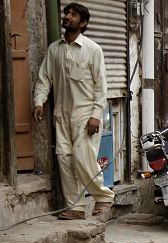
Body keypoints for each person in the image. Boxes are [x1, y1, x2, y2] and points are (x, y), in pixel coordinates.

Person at [33, 2, 115, 221]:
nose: (68, 16)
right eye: (67, 13)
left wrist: (96, 115)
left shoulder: (93, 49)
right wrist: (39, 102)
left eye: (74, 14)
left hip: (85, 115)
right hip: (61, 115)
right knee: (65, 159)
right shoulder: (54, 49)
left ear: (83, 22)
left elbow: (101, 86)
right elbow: (44, 79)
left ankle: (104, 196)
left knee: (82, 158)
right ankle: (76, 208)